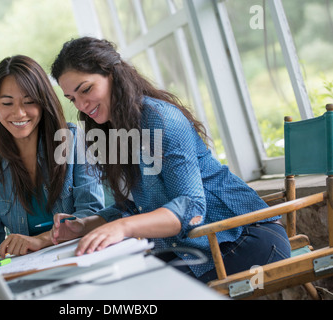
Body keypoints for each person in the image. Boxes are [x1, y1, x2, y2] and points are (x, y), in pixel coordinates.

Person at [49, 37, 291, 283]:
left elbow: (191, 207)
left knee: (145, 289)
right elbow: (136, 207)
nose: (81, 104)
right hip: (195, 247)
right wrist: (86, 225)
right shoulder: (114, 130)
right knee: (112, 282)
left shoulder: (161, 119)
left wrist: (123, 227)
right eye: (72, 99)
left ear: (113, 74)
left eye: (86, 89)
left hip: (241, 238)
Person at [0, 55, 105, 259]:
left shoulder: (74, 139)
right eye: (7, 103)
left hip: (81, 256)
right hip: (30, 270)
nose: (19, 113)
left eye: (29, 102)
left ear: (43, 102)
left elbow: (92, 212)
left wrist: (41, 240)